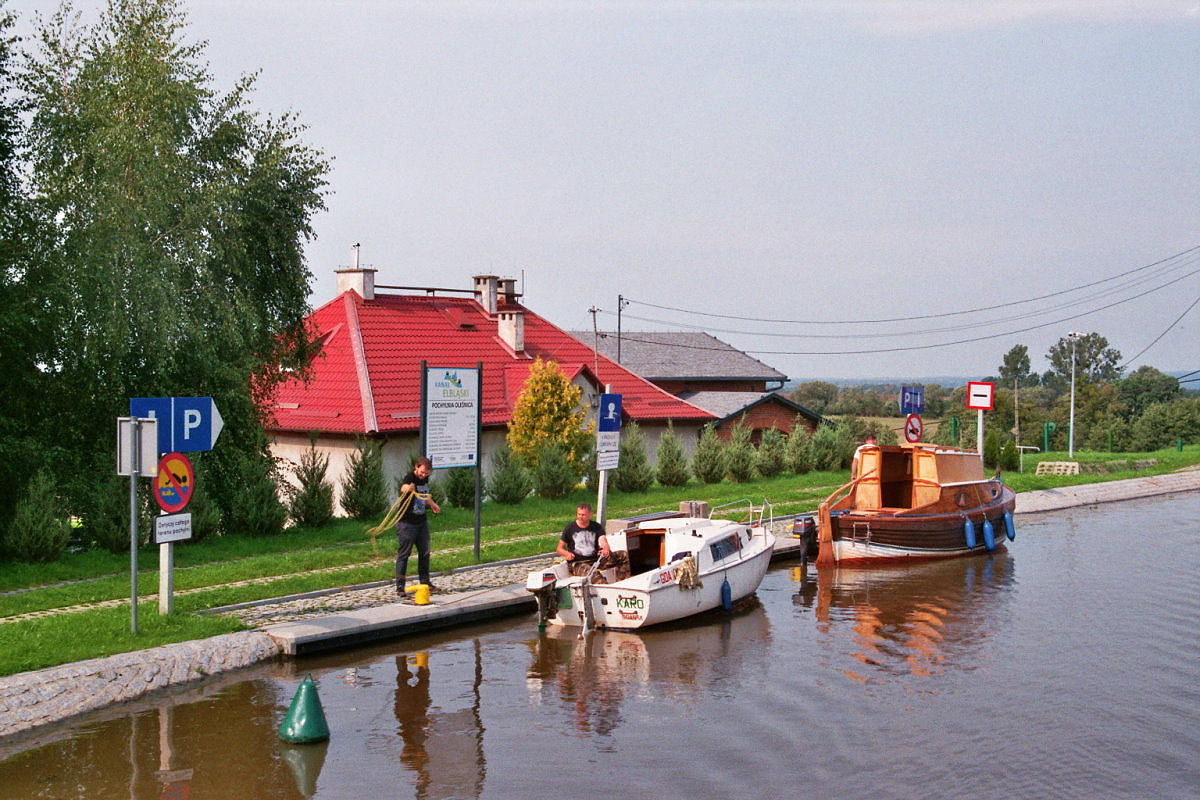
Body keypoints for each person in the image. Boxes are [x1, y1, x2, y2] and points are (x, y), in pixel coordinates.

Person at [396, 456, 441, 599]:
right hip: (407, 523)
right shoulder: (410, 476)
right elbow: (403, 487)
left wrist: (432, 504)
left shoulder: (424, 479)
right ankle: (400, 587)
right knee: (404, 555)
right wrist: (408, 488)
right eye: (421, 472)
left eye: (426, 473)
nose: (423, 475)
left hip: (421, 522)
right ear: (416, 467)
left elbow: (424, 495)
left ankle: (425, 582)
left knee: (425, 553)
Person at [557, 502, 610, 577]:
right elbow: (559, 549)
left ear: (590, 514)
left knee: (623, 556)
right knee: (593, 574)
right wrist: (567, 554)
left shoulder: (596, 526)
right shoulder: (570, 528)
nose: (580, 517)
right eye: (579, 514)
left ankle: (623, 581)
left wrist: (605, 548)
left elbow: (603, 540)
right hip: (577, 563)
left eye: (583, 515)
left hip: (595, 560)